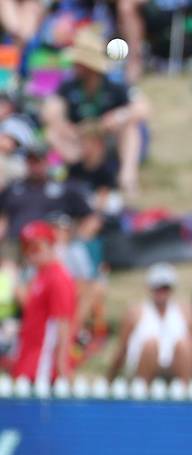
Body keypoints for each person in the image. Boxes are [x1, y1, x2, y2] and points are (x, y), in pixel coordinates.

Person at [41, 25, 150, 197]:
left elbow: (143, 108)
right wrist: (63, 125)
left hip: (107, 138)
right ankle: (65, 175)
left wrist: (118, 117)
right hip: (79, 139)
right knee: (52, 133)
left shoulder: (113, 84)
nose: (74, 65)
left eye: (78, 62)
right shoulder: (70, 85)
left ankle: (128, 177)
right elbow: (50, 109)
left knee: (130, 128)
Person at [107, 262, 192, 382]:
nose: (161, 292)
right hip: (142, 366)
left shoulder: (186, 312)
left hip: (173, 367)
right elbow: (122, 348)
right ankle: (143, 389)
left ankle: (186, 388)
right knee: (151, 345)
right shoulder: (135, 312)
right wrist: (110, 376)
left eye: (165, 288)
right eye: (157, 288)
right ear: (150, 288)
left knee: (184, 345)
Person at [10, 221, 78, 382]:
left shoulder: (58, 277)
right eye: (25, 248)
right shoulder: (41, 275)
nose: (30, 254)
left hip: (43, 364)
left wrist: (61, 364)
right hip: (30, 358)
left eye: (35, 248)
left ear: (50, 246)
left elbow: (62, 323)